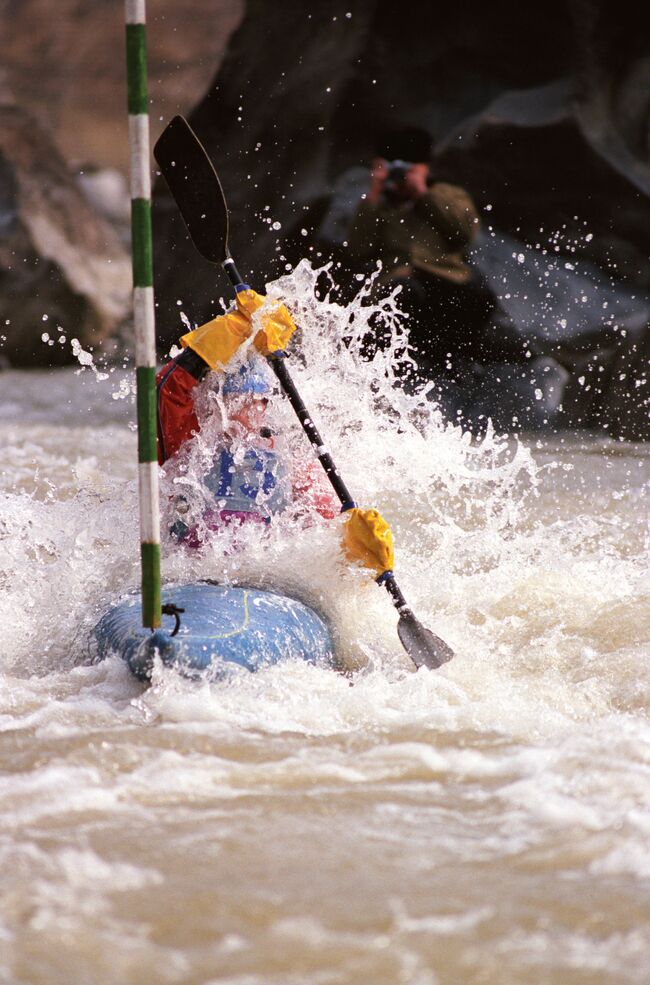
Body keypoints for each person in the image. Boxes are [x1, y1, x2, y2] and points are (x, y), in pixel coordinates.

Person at [155, 286, 395, 574]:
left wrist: (356, 547)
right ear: (209, 401)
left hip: (264, 582)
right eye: (224, 400)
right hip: (191, 573)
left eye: (250, 402)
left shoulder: (288, 460)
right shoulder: (187, 445)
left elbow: (324, 533)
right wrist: (233, 330)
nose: (235, 412)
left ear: (264, 405)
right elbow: (167, 388)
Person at [345, 126, 530, 375]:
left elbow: (465, 233)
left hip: (446, 277)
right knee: (402, 295)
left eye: (409, 168)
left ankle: (461, 361)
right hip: (399, 280)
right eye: (396, 167)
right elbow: (357, 249)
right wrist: (375, 192)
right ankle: (393, 366)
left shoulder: (447, 195)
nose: (402, 175)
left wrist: (423, 194)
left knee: (477, 297)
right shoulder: (376, 206)